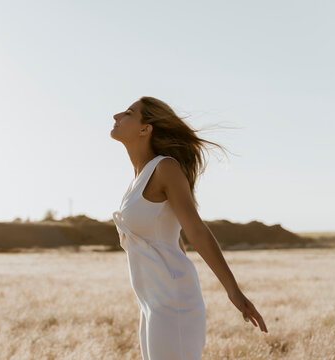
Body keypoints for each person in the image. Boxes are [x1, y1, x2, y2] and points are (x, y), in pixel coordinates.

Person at [110, 96, 268, 360]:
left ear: (145, 128)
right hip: (151, 301)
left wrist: (233, 290)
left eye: (128, 112)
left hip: (173, 302)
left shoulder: (165, 168)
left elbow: (196, 231)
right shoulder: (138, 179)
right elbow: (172, 237)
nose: (116, 116)